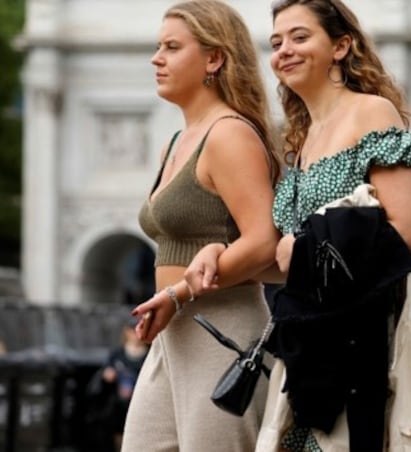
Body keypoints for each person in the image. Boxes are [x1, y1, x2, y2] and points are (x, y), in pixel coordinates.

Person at [187, 1, 411, 449]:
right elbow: (288, 260)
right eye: (277, 43)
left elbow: (404, 232)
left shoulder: (371, 112)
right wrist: (219, 253)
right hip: (305, 349)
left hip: (359, 345)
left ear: (341, 45)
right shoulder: (299, 139)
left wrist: (307, 247)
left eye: (300, 37)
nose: (284, 51)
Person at [122, 1, 281, 451]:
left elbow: (264, 240)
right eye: (158, 46)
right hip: (174, 335)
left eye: (172, 47)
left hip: (222, 330)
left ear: (214, 58)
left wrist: (178, 293)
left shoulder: (229, 134)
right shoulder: (175, 142)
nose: (157, 58)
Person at [86, 320, 149, 451]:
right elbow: (105, 375)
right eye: (133, 330)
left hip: (140, 401)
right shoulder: (117, 354)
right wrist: (108, 376)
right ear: (127, 332)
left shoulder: (149, 354)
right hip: (118, 404)